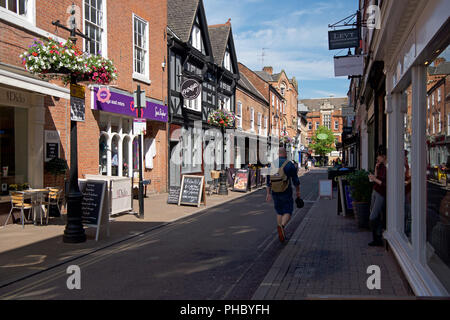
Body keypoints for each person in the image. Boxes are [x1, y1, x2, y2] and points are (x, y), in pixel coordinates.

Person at [266, 147, 301, 243]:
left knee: (279, 212)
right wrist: (298, 192)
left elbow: (268, 181)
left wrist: (268, 193)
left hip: (275, 191)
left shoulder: (272, 164)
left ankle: (280, 231)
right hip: (286, 191)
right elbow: (296, 180)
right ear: (285, 153)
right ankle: (282, 226)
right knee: (288, 211)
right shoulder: (288, 164)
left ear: (278, 154)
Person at [368, 148, 387, 247]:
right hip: (375, 191)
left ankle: (377, 237)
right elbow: (377, 178)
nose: (377, 158)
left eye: (378, 156)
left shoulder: (387, 168)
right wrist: (375, 169)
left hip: (380, 193)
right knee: (375, 214)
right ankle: (376, 238)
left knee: (373, 216)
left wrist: (374, 179)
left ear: (384, 156)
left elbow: (384, 184)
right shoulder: (380, 166)